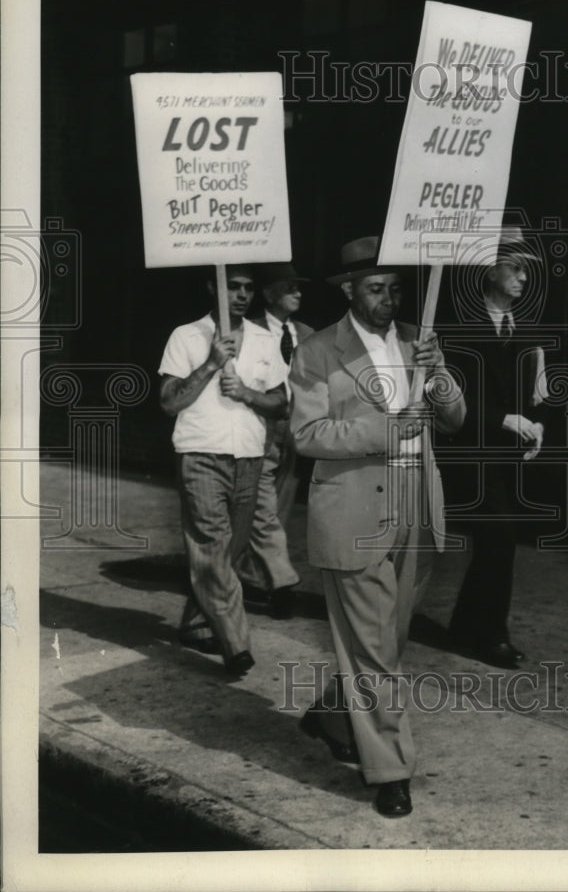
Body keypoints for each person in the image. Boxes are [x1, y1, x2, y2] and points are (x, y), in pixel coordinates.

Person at [288, 236, 466, 817]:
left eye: (395, 288)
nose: (388, 299)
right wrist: (391, 429)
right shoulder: (317, 352)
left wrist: (439, 382)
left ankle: (334, 712)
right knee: (375, 655)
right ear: (348, 290)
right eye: (375, 288)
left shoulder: (420, 339)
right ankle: (390, 770)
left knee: (386, 644)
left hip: (417, 510)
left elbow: (457, 419)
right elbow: (307, 437)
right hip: (353, 513)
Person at [158, 264, 287, 677]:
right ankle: (236, 643)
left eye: (249, 288)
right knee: (212, 545)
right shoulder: (186, 335)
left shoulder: (268, 339)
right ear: (211, 288)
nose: (243, 295)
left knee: (232, 548)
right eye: (233, 286)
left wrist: (248, 394)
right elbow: (169, 401)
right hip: (200, 454)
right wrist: (212, 363)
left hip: (249, 455)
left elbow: (281, 403)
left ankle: (198, 622)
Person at [443, 226, 551, 670]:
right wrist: (505, 420)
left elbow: (535, 392)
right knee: (500, 536)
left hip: (506, 452)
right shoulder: (457, 323)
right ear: (487, 270)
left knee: (496, 541)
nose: (524, 278)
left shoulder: (525, 326)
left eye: (527, 271)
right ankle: (491, 634)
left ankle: (466, 624)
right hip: (467, 450)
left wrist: (538, 424)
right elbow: (449, 395)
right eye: (516, 268)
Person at [235, 263, 314, 618]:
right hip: (259, 427)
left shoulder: (308, 335)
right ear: (268, 294)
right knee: (262, 510)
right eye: (289, 287)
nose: (297, 293)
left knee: (277, 511)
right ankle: (283, 582)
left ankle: (253, 580)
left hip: (294, 434)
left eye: (298, 287)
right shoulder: (247, 331)